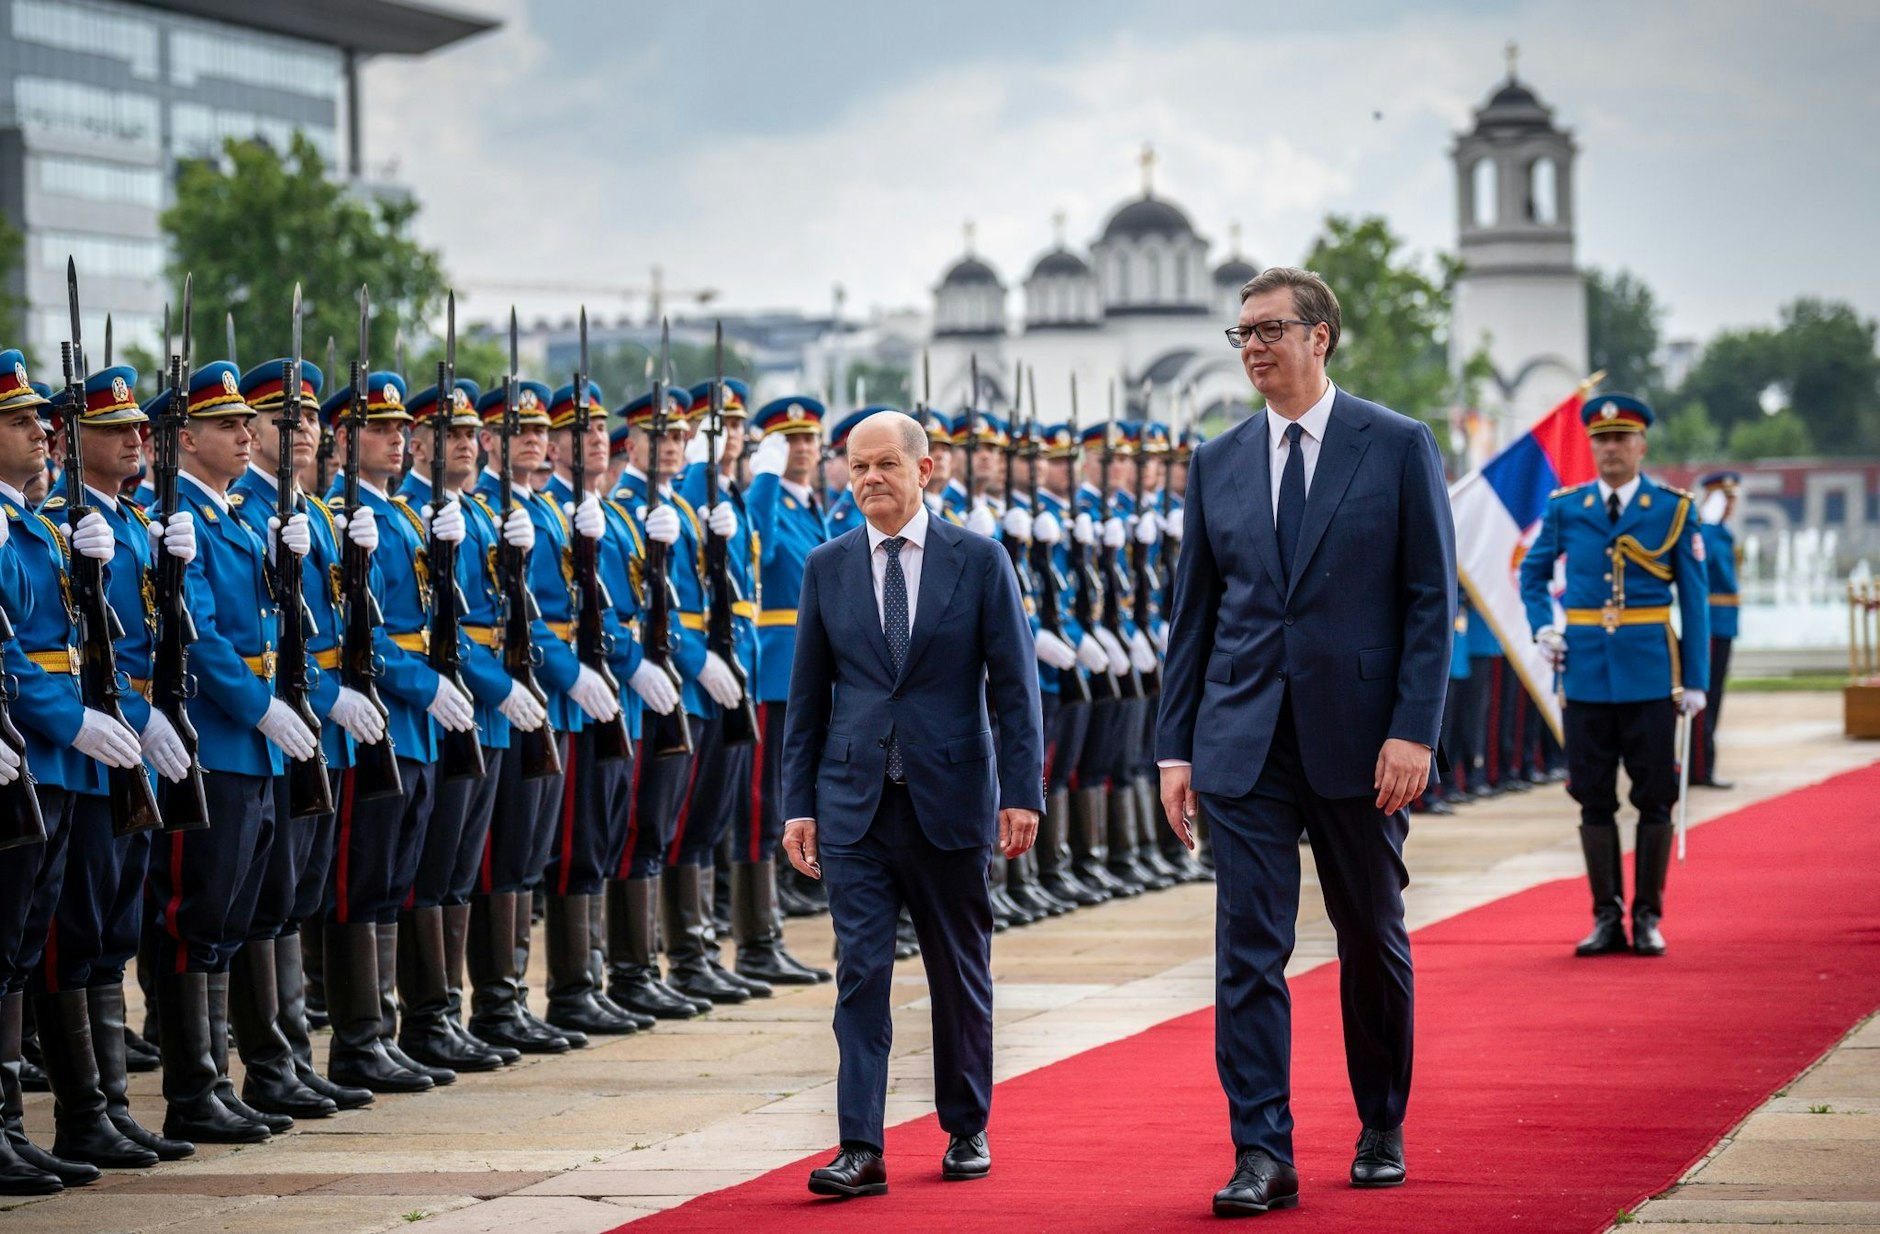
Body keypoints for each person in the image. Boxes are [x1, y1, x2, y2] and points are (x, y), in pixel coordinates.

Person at [1157, 267, 1456, 1215]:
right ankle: (1262, 1153)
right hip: (1242, 742)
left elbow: (1427, 603)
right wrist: (1176, 750)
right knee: (1247, 949)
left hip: (1361, 743)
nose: (1251, 346)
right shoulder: (1218, 461)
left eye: (1269, 329)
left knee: (1370, 935)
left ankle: (1380, 1122)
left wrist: (1413, 729)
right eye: (1241, 332)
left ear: (1320, 337)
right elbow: (1193, 620)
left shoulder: (1397, 445)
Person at [781, 409, 1043, 1197]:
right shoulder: (827, 566)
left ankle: (966, 1126)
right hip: (855, 803)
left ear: (926, 470)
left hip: (952, 798)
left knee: (958, 970)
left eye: (885, 465)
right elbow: (806, 699)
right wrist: (799, 806)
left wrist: (1021, 793)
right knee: (860, 973)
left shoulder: (979, 559)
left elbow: (1016, 688)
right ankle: (859, 1145)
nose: (868, 480)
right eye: (856, 467)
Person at [1519, 393, 1708, 959]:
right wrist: (1542, 628)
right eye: (1601, 440)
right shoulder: (1566, 508)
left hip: (1651, 674)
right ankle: (1606, 918)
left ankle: (1647, 917)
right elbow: (1532, 576)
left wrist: (1695, 680)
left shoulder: (1672, 510)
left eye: (1622, 439)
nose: (1611, 449)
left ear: (1641, 445)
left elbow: (1694, 603)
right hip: (1585, 677)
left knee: (1654, 799)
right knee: (1592, 797)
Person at [1692, 470, 1740, 790]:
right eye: (1727, 497)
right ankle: (1700, 766)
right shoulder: (1707, 533)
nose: (1731, 504)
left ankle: (1704, 765)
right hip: (1709, 624)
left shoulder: (1721, 533)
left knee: (1715, 695)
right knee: (1704, 697)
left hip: (1724, 623)